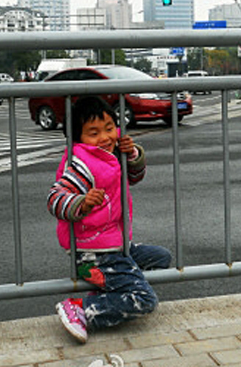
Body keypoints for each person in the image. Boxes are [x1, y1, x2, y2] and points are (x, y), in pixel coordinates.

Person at [47, 96, 171, 344]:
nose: (104, 137)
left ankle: (107, 288)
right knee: (144, 299)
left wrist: (132, 154)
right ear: (79, 138)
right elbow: (55, 198)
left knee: (161, 258)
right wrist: (81, 202)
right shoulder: (82, 164)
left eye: (109, 128)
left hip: (115, 243)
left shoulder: (109, 154)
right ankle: (81, 309)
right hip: (95, 251)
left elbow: (135, 177)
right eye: (94, 133)